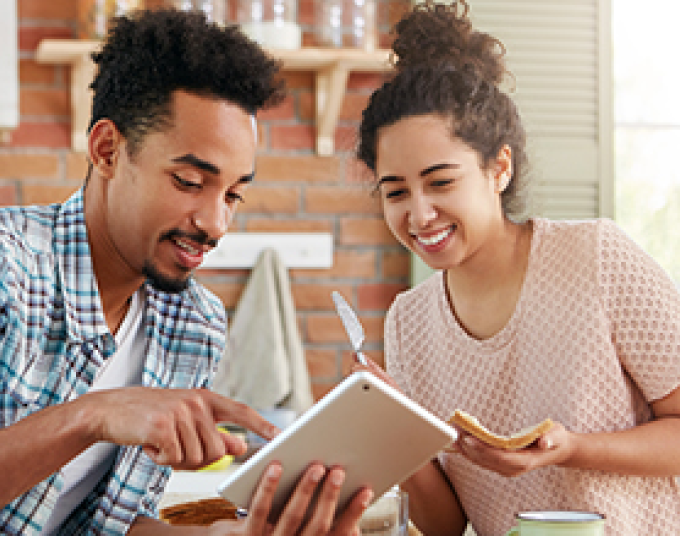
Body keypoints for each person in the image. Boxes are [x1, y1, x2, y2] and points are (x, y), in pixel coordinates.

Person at [0, 9, 372, 536]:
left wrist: (238, 535)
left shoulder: (194, 325)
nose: (216, 224)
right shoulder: (9, 268)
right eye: (189, 180)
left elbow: (114, 526)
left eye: (234, 193)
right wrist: (91, 414)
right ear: (107, 150)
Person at [352, 1, 680, 535]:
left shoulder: (595, 258)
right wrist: (393, 430)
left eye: (441, 182)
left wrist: (572, 450)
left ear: (498, 168)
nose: (419, 214)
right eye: (396, 192)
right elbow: (445, 525)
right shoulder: (408, 324)